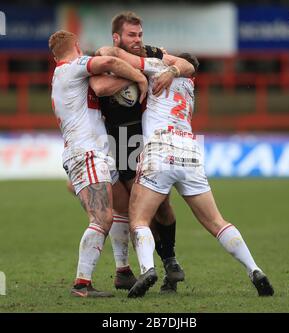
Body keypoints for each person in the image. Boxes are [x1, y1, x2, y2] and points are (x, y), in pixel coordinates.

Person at [98, 47, 275, 298]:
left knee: (138, 218)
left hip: (160, 149)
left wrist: (128, 52)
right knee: (216, 222)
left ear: (174, 62)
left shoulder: (157, 68)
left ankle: (148, 268)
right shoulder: (189, 86)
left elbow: (118, 55)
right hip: (190, 150)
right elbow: (188, 66)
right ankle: (254, 269)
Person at [94, 11, 195, 293]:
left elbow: (189, 64)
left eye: (140, 35)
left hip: (147, 137)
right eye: (131, 35)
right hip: (120, 140)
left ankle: (170, 263)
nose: (138, 40)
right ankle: (147, 268)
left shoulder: (151, 52)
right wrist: (137, 75)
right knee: (137, 210)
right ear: (117, 37)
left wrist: (171, 68)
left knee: (160, 206)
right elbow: (100, 87)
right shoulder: (102, 59)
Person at [48, 30, 148, 297]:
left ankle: (123, 271)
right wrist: (140, 76)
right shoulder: (73, 67)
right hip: (87, 153)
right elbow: (109, 64)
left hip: (96, 154)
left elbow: (101, 84)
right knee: (101, 217)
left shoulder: (62, 74)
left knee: (123, 208)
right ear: (77, 47)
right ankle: (82, 284)